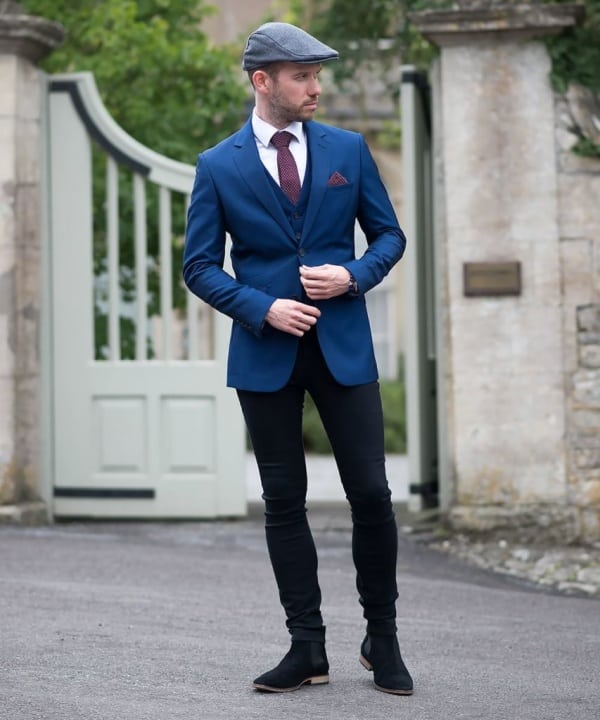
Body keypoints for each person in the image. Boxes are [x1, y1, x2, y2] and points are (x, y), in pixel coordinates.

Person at [183, 22, 413, 696]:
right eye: (302, 75)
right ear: (263, 81)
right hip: (265, 354)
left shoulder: (348, 148)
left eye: (317, 74)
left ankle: (384, 637)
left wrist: (353, 276)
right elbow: (198, 268)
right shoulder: (217, 164)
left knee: (371, 494)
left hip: (343, 348)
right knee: (285, 501)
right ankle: (306, 647)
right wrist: (262, 307)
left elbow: (389, 236)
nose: (317, 86)